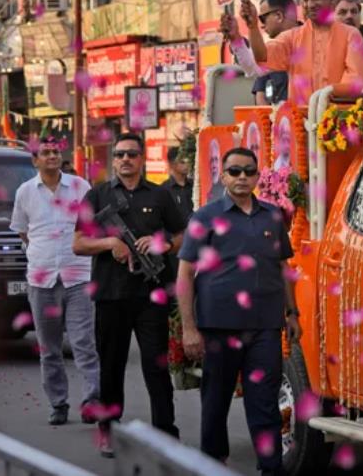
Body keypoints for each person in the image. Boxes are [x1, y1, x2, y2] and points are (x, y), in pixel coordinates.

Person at [176, 148, 299, 476]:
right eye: (234, 171)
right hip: (219, 327)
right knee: (215, 401)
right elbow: (185, 274)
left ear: (258, 176)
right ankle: (213, 463)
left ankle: (270, 467)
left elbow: (283, 266)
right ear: (223, 176)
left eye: (248, 171)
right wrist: (189, 328)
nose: (242, 177)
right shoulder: (205, 217)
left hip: (265, 327)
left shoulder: (273, 216)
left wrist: (292, 313)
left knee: (264, 402)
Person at [72, 132, 187, 456]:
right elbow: (78, 243)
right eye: (120, 154)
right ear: (114, 159)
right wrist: (110, 244)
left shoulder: (160, 196)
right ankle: (107, 429)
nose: (125, 159)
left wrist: (161, 243)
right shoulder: (97, 196)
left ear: (141, 158)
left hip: (151, 295)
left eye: (132, 154)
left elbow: (181, 235)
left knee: (157, 367)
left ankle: (166, 432)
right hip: (111, 294)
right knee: (111, 365)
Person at [10, 138, 100, 426]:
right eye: (45, 153)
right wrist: (42, 253)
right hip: (42, 278)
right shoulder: (25, 192)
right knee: (49, 348)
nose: (51, 157)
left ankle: (91, 401)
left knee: (84, 343)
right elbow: (23, 233)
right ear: (35, 161)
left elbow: (91, 226)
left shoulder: (80, 187)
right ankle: (58, 404)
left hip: (78, 276)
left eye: (56, 152)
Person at [235, 0, 363, 106]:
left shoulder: (351, 35)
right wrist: (252, 27)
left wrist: (324, 108)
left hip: (338, 118)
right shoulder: (292, 38)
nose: (310, 4)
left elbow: (353, 83)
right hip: (301, 121)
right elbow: (262, 56)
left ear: (331, 1)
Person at [229, 0, 297, 106]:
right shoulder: (274, 48)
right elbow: (254, 68)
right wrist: (237, 38)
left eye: (262, 19)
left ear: (279, 16)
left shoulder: (308, 39)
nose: (262, 25)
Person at [162, 147, 194, 221]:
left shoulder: (194, 186)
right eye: (182, 162)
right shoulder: (164, 189)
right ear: (172, 164)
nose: (187, 165)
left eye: (188, 162)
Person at [206, 139, 226, 203]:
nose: (214, 165)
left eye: (216, 160)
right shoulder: (207, 187)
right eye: (211, 160)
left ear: (219, 162)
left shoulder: (226, 186)